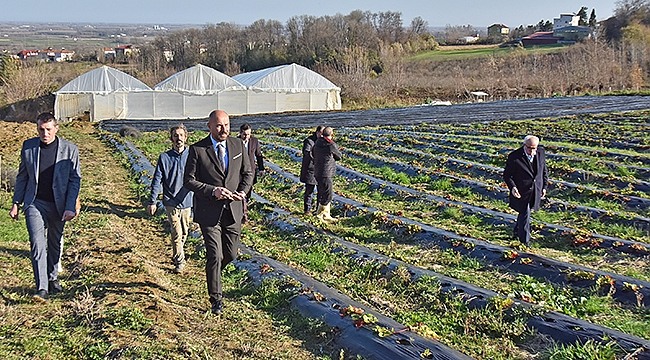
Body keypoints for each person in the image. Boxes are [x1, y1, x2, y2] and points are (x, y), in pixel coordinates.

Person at [184, 110, 253, 315]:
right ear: (210, 126)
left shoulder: (238, 145)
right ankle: (216, 299)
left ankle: (213, 274)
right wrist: (212, 191)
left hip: (233, 210)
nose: (224, 130)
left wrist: (242, 191)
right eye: (219, 126)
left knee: (230, 254)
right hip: (209, 211)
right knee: (215, 254)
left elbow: (248, 172)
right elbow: (189, 180)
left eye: (227, 125)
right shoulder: (198, 150)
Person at [9, 112, 82, 302]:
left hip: (59, 204)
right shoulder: (29, 147)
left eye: (48, 129)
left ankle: (52, 278)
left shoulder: (70, 149)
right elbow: (22, 176)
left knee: (54, 243)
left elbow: (75, 180)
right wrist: (16, 203)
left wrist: (70, 206)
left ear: (56, 129)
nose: (45, 133)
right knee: (37, 243)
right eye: (41, 129)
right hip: (34, 202)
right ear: (37, 129)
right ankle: (41, 288)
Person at [147, 124, 193, 274]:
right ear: (171, 138)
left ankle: (176, 253)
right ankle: (180, 261)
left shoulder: (192, 156)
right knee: (176, 232)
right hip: (171, 201)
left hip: (187, 201)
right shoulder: (165, 158)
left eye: (181, 135)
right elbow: (157, 180)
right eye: (175, 135)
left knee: (185, 232)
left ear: (185, 137)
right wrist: (152, 201)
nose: (178, 138)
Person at [503, 135, 548, 246]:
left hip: (535, 189)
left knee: (526, 212)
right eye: (529, 148)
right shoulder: (514, 157)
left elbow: (544, 170)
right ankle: (525, 241)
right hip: (521, 190)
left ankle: (516, 231)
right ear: (524, 145)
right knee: (525, 213)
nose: (531, 150)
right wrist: (513, 187)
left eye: (534, 148)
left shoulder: (541, 152)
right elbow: (507, 175)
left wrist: (544, 186)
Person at [312, 126, 341, 222]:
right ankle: (321, 214)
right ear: (331, 135)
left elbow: (312, 154)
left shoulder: (317, 143)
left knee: (322, 192)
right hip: (326, 172)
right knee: (328, 194)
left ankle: (323, 214)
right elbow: (338, 156)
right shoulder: (330, 145)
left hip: (317, 171)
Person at [299, 126, 322, 214]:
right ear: (317, 132)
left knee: (320, 191)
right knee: (309, 190)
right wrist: (318, 160)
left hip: (321, 170)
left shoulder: (323, 141)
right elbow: (307, 153)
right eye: (321, 133)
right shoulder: (309, 141)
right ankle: (307, 210)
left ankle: (318, 210)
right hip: (311, 169)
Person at [238, 123, 264, 199]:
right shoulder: (236, 142)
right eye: (244, 134)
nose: (246, 137)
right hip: (239, 171)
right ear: (240, 133)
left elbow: (259, 155)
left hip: (251, 170)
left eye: (248, 134)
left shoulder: (254, 141)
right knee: (240, 190)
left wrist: (261, 168)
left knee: (248, 190)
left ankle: (246, 206)